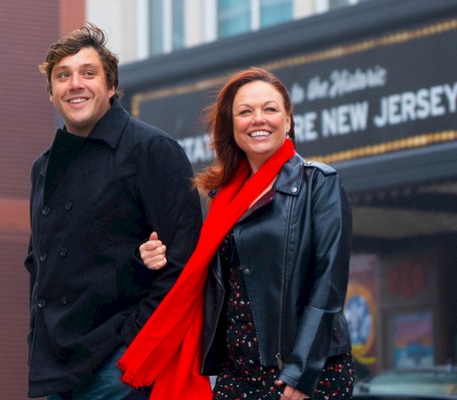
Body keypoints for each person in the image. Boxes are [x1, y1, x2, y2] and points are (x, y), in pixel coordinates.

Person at [119, 67, 354, 400]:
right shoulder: (225, 199)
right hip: (238, 372)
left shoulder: (319, 183)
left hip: (302, 371)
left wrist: (301, 373)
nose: (258, 119)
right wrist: (148, 256)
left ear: (288, 121)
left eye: (270, 109)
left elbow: (327, 289)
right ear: (232, 126)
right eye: (245, 112)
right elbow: (202, 279)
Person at [25, 23, 204, 400]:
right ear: (51, 94)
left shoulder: (152, 149)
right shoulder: (43, 168)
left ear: (110, 87)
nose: (75, 84)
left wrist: (132, 345)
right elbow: (39, 268)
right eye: (63, 76)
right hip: (60, 367)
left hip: (120, 366)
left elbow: (185, 261)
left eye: (88, 73)